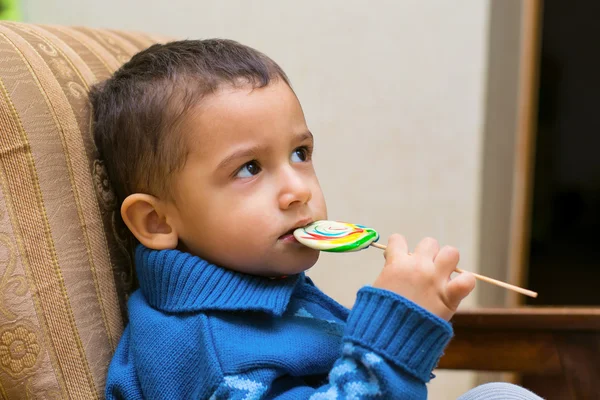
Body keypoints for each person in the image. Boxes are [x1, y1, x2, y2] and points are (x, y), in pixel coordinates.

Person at [91, 39, 542, 400]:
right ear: (156, 222)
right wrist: (394, 336)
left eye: (300, 154)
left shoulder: (259, 285)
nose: (299, 189)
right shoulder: (202, 349)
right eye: (249, 167)